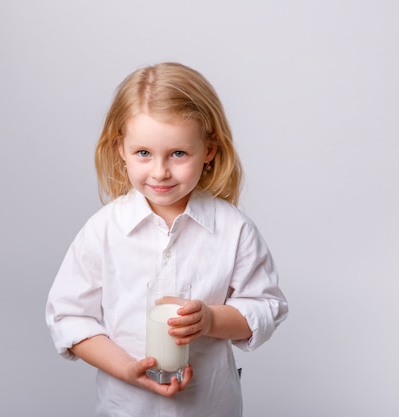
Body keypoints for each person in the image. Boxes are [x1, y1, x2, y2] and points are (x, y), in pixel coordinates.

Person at [45, 62, 288, 417]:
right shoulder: (104, 230)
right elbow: (69, 316)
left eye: (178, 153)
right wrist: (125, 368)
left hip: (208, 407)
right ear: (121, 150)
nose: (160, 171)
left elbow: (266, 305)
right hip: (125, 408)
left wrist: (211, 320)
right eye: (144, 153)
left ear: (209, 150)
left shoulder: (234, 230)